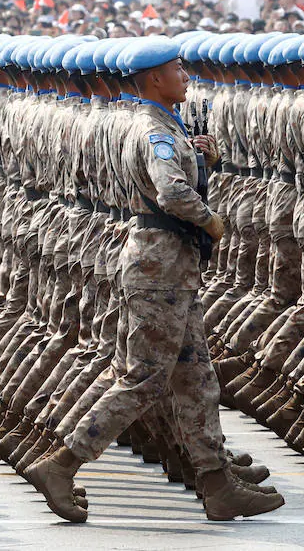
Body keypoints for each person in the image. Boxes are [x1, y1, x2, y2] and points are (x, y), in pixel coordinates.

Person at [25, 37, 284, 522]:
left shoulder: (166, 125)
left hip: (169, 268)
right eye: (176, 70)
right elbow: (172, 191)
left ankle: (217, 484)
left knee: (198, 380)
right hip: (159, 268)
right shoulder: (154, 130)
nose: (185, 77)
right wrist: (210, 220)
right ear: (153, 80)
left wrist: (200, 155)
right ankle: (62, 464)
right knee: (143, 380)